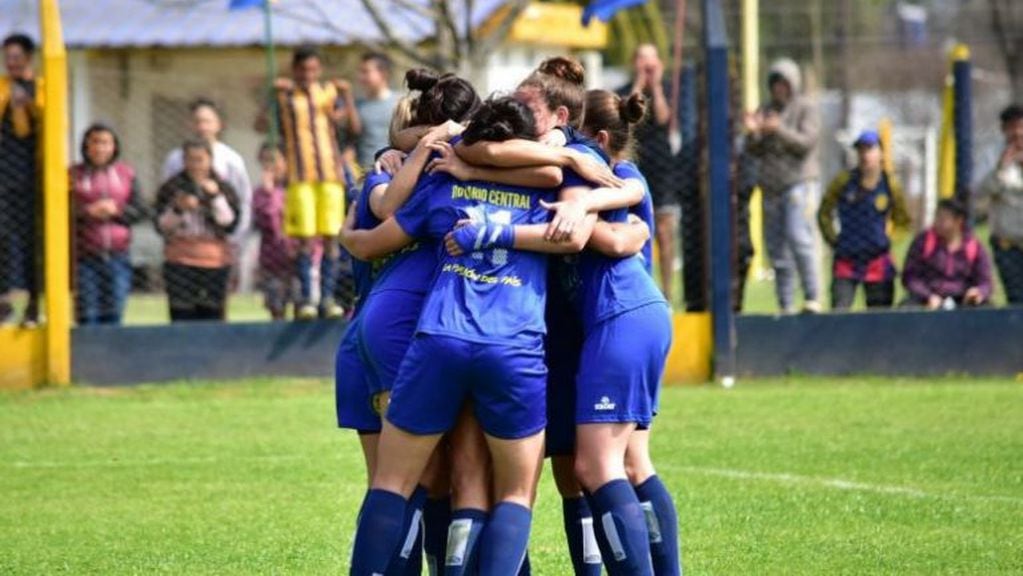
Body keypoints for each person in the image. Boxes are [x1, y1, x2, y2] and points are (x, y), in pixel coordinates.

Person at [343, 96, 597, 576]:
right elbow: (577, 227)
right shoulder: (553, 190)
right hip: (513, 346)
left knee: (391, 483)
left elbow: (376, 241)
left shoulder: (442, 187)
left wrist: (347, 236)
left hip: (439, 337)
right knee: (515, 494)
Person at [273, 45, 357, 320]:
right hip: (299, 176)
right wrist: (269, 95)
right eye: (303, 69)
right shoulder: (285, 95)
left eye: (313, 69)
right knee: (306, 240)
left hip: (330, 175)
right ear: (295, 70)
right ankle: (309, 298)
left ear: (319, 69)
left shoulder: (330, 94)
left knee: (332, 237)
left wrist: (347, 96)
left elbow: (352, 127)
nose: (308, 74)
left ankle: (329, 299)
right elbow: (264, 125)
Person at [745, 57, 822, 314]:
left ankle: (813, 297)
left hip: (798, 184)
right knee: (777, 249)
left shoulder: (805, 108)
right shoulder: (764, 109)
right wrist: (754, 132)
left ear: (793, 84)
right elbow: (752, 150)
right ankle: (785, 304)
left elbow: (807, 143)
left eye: (784, 82)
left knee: (800, 239)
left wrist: (778, 130)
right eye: (775, 83)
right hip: (771, 188)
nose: (779, 88)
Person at [162, 98, 254, 294]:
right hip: (182, 245)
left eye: (207, 121)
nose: (202, 126)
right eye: (197, 121)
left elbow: (243, 201)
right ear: (189, 124)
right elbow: (164, 200)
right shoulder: (175, 158)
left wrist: (237, 239)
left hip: (219, 246)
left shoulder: (232, 160)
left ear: (219, 124)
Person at [818, 130, 910, 310]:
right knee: (839, 311)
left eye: (870, 149)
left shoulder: (890, 184)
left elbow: (903, 220)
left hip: (877, 260)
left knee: (879, 316)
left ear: (881, 153)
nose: (865, 154)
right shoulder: (843, 181)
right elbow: (824, 212)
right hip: (847, 259)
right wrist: (833, 239)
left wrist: (888, 239)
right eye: (861, 150)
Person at [617, 44, 680, 304]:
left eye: (652, 59)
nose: (647, 64)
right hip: (635, 165)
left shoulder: (667, 90)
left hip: (662, 167)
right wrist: (639, 84)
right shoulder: (623, 91)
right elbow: (626, 119)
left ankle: (666, 290)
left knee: (664, 232)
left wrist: (654, 87)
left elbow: (664, 118)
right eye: (642, 58)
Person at [70, 124, 148, 325]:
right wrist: (87, 212)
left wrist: (117, 211)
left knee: (114, 313)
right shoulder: (73, 175)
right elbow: (61, 210)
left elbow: (140, 210)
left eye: (105, 143)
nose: (100, 148)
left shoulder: (126, 174)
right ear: (86, 146)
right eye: (95, 142)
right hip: (84, 257)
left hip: (118, 256)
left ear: (114, 147)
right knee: (88, 314)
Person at [155, 139, 240, 322]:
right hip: (180, 260)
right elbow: (161, 225)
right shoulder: (171, 187)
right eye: (190, 160)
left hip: (214, 261)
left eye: (200, 160)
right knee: (182, 312)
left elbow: (230, 223)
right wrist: (178, 209)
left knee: (213, 313)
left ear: (210, 160)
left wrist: (215, 197)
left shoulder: (224, 188)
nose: (195, 165)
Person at [0, 33, 42, 326]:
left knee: (31, 240)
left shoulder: (40, 88)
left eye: (16, 57)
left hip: (30, 177)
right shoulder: (2, 88)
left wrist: (24, 106)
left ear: (29, 58)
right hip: (3, 176)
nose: (10, 62)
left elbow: (34, 129)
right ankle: (3, 301)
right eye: (7, 57)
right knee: (2, 238)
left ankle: (33, 304)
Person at [902, 199, 993, 309]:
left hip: (963, 300)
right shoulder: (923, 242)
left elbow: (985, 281)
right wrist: (928, 296)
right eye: (936, 217)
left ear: (958, 221)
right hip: (928, 298)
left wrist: (978, 293)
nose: (937, 222)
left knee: (987, 308)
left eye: (943, 219)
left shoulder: (974, 246)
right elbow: (910, 277)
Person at [977, 104, 1023, 305]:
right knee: (1016, 299)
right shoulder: (992, 155)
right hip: (1008, 244)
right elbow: (978, 192)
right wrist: (1000, 168)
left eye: (1021, 126)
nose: (1018, 132)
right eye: (1012, 127)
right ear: (1004, 129)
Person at [252, 143, 294, 320]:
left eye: (274, 160)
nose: (270, 166)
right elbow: (267, 222)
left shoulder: (296, 189)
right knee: (276, 307)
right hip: (272, 260)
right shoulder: (260, 193)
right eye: (265, 161)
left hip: (296, 255)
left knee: (301, 304)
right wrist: (269, 193)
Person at [350, 52, 398, 172]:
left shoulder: (401, 103)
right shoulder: (356, 106)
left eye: (366, 72)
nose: (361, 77)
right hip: (365, 174)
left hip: (396, 172)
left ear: (383, 73)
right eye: (360, 72)